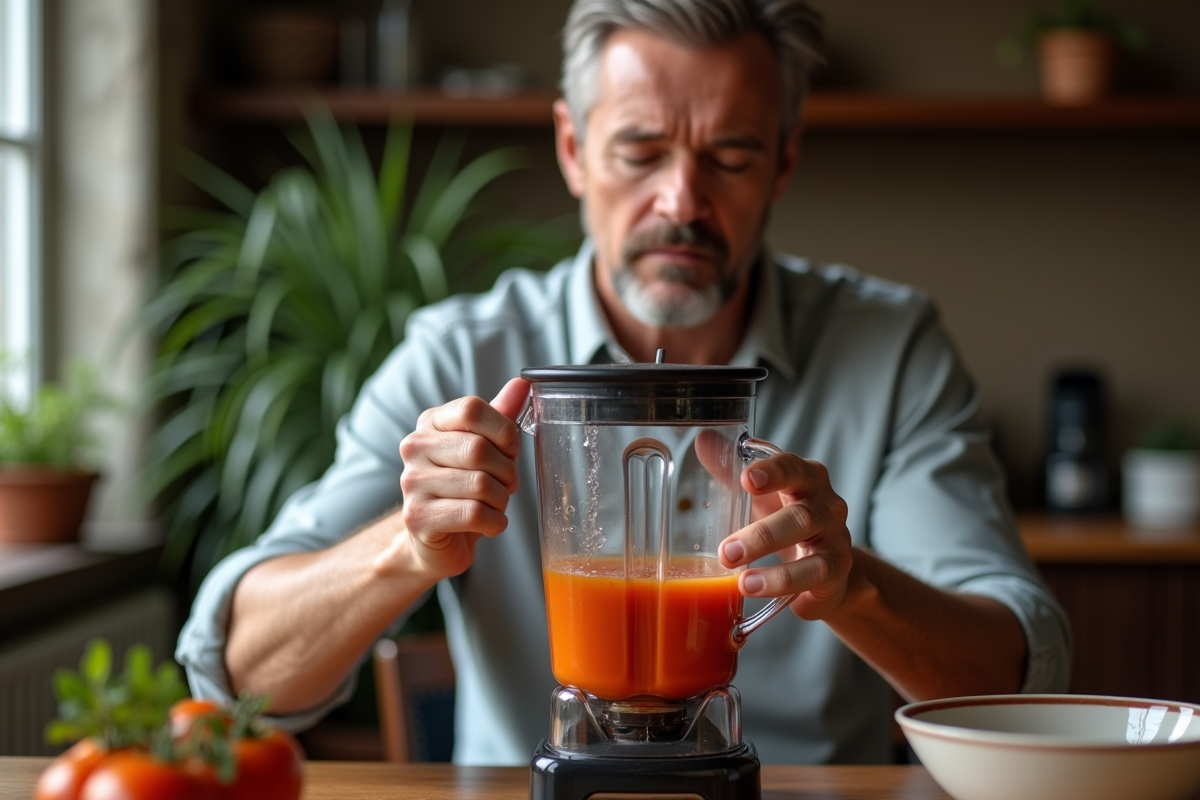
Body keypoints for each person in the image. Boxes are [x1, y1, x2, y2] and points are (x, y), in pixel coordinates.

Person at [177, 0, 1071, 765]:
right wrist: (406, 546)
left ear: (783, 164)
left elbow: (1019, 676)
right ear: (572, 147)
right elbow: (237, 675)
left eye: (728, 156)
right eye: (640, 151)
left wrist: (851, 586)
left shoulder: (892, 352)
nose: (681, 200)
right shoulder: (459, 355)